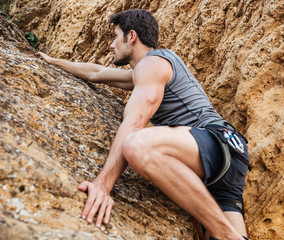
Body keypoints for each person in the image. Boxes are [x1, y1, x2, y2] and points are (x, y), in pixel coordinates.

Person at [36, 9, 249, 240]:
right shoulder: (146, 70)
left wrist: (102, 185)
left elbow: (135, 121)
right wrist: (52, 61)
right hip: (230, 159)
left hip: (214, 144)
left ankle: (223, 232)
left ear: (132, 37)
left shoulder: (153, 63)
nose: (110, 45)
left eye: (115, 36)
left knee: (137, 145)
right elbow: (96, 73)